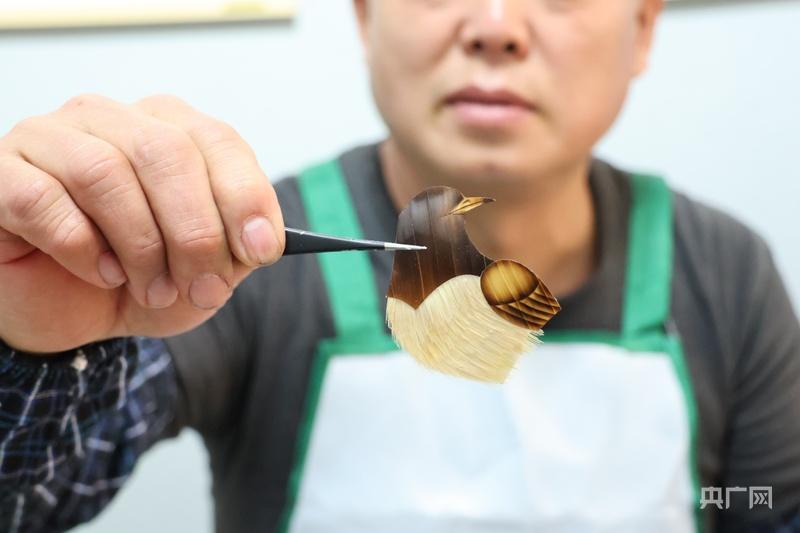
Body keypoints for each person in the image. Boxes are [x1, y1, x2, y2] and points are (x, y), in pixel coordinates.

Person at [0, 0, 798, 531]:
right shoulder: (237, 256)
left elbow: (766, 509)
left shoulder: (726, 273)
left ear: (644, 28)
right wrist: (26, 345)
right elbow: (30, 498)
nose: (496, 26)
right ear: (363, 15)